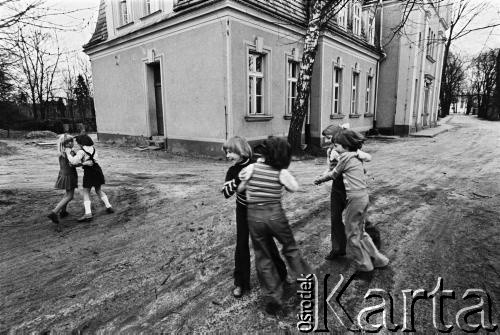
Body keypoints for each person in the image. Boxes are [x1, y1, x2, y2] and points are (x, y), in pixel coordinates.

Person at [239, 137, 312, 314]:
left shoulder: (251, 168)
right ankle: (305, 286)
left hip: (254, 215)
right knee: (290, 248)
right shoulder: (280, 172)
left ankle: (273, 296)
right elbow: (293, 188)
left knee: (262, 256)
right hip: (275, 215)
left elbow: (241, 187)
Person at [314, 129, 388, 279]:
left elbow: (334, 174)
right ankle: (379, 259)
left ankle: (365, 266)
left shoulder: (346, 157)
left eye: (337, 145)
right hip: (362, 196)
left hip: (353, 199)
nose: (334, 147)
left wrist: (319, 179)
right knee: (361, 232)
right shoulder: (355, 157)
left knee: (352, 235)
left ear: (346, 145)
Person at [221, 136, 289, 298]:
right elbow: (226, 193)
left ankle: (281, 274)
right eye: (226, 152)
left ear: (241, 151)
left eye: (230, 152)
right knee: (241, 245)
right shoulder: (232, 171)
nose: (227, 155)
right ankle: (240, 283)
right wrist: (239, 178)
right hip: (243, 211)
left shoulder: (257, 163)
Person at [321, 125, 372, 260]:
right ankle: (338, 249)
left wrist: (357, 155)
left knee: (359, 221)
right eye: (326, 138)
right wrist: (325, 173)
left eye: (329, 137)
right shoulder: (331, 151)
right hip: (337, 187)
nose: (328, 141)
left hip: (352, 189)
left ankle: (371, 247)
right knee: (335, 217)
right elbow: (331, 169)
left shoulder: (348, 151)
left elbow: (366, 158)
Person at [66, 134, 114, 222]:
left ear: (81, 142)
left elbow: (73, 161)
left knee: (86, 192)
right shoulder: (93, 149)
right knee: (98, 190)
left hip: (89, 172)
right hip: (97, 170)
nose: (77, 144)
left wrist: (68, 154)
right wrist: (82, 162)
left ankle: (88, 214)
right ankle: (109, 206)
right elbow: (91, 160)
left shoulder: (81, 151)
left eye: (78, 142)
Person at [47, 134, 78, 231]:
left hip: (63, 174)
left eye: (72, 141)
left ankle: (63, 212)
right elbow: (73, 163)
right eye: (69, 142)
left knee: (67, 193)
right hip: (69, 175)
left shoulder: (61, 151)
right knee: (70, 196)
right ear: (65, 144)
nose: (71, 143)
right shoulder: (69, 152)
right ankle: (54, 212)